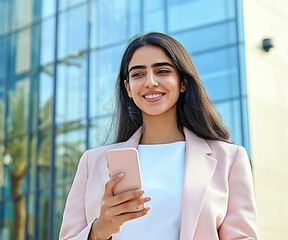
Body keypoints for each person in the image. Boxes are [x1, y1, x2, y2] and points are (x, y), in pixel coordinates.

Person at [59, 32, 258, 240]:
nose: (150, 82)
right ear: (128, 88)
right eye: (137, 74)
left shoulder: (229, 158)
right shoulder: (93, 162)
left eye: (162, 71)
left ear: (183, 83)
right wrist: (98, 231)